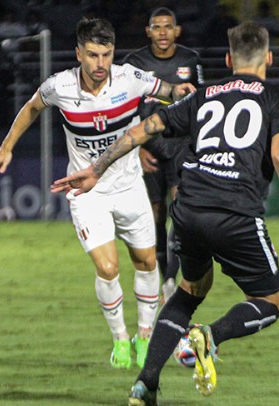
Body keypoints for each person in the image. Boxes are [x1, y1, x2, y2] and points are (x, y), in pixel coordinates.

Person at [51, 21, 279, 405]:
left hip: (189, 208)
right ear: (269, 58)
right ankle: (210, 336)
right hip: (235, 212)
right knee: (271, 301)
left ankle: (145, 385)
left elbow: (144, 128)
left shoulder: (207, 93)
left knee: (189, 290)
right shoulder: (278, 97)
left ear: (229, 59)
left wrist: (96, 168)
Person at [0, 17, 195, 370]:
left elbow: (165, 90)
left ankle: (144, 335)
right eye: (93, 55)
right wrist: (7, 145)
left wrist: (180, 91)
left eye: (106, 54)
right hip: (87, 191)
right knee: (108, 266)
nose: (100, 64)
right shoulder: (61, 86)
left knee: (146, 263)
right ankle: (119, 338)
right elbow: (32, 107)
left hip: (129, 186)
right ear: (78, 54)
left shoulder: (130, 79)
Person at [122, 7, 204, 304]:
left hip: (182, 145)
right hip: (151, 148)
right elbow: (125, 110)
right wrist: (139, 147)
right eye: (157, 27)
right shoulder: (135, 64)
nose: (162, 33)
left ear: (177, 31)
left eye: (168, 27)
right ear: (148, 32)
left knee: (179, 211)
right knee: (155, 213)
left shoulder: (190, 61)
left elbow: (200, 104)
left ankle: (171, 279)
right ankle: (158, 274)